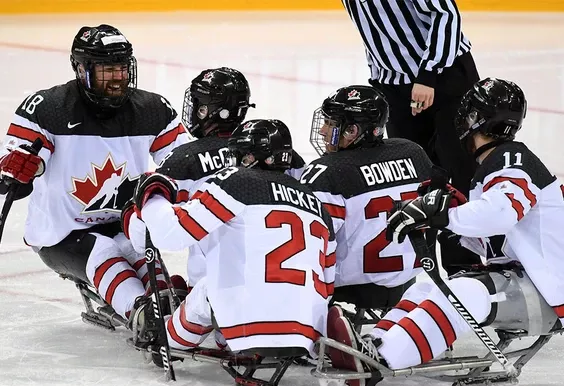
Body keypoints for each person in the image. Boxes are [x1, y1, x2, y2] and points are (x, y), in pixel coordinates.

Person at [327, 78, 564, 386]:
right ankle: (374, 344)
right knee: (423, 292)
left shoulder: (511, 160)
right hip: (531, 283)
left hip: (547, 293)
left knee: (465, 295)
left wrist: (446, 216)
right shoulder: (500, 163)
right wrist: (449, 218)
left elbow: (501, 214)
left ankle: (379, 362)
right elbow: (496, 236)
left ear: (473, 120)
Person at [0, 24, 191, 322]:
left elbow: (185, 162)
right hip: (61, 233)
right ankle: (140, 313)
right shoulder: (48, 108)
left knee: (134, 247)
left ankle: (165, 302)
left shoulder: (153, 110)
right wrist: (21, 168)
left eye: (123, 68)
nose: (118, 77)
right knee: (104, 250)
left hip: (123, 223)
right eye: (106, 69)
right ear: (81, 69)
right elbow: (14, 168)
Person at [130, 119, 335, 358]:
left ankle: (169, 340)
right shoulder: (318, 204)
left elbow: (169, 235)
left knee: (208, 287)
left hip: (244, 325)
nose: (235, 161)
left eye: (241, 155)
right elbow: (328, 285)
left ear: (257, 158)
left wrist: (152, 198)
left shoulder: (235, 183)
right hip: (306, 330)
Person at [341, 0, 481, 274]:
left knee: (462, 171)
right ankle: (422, 268)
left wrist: (428, 74)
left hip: (443, 76)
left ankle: (467, 267)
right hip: (393, 85)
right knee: (414, 178)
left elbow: (445, 13)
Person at [301, 85, 432, 313]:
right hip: (409, 278)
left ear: (351, 131)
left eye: (331, 124)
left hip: (351, 282)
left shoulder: (327, 172)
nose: (323, 130)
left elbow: (312, 243)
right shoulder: (413, 152)